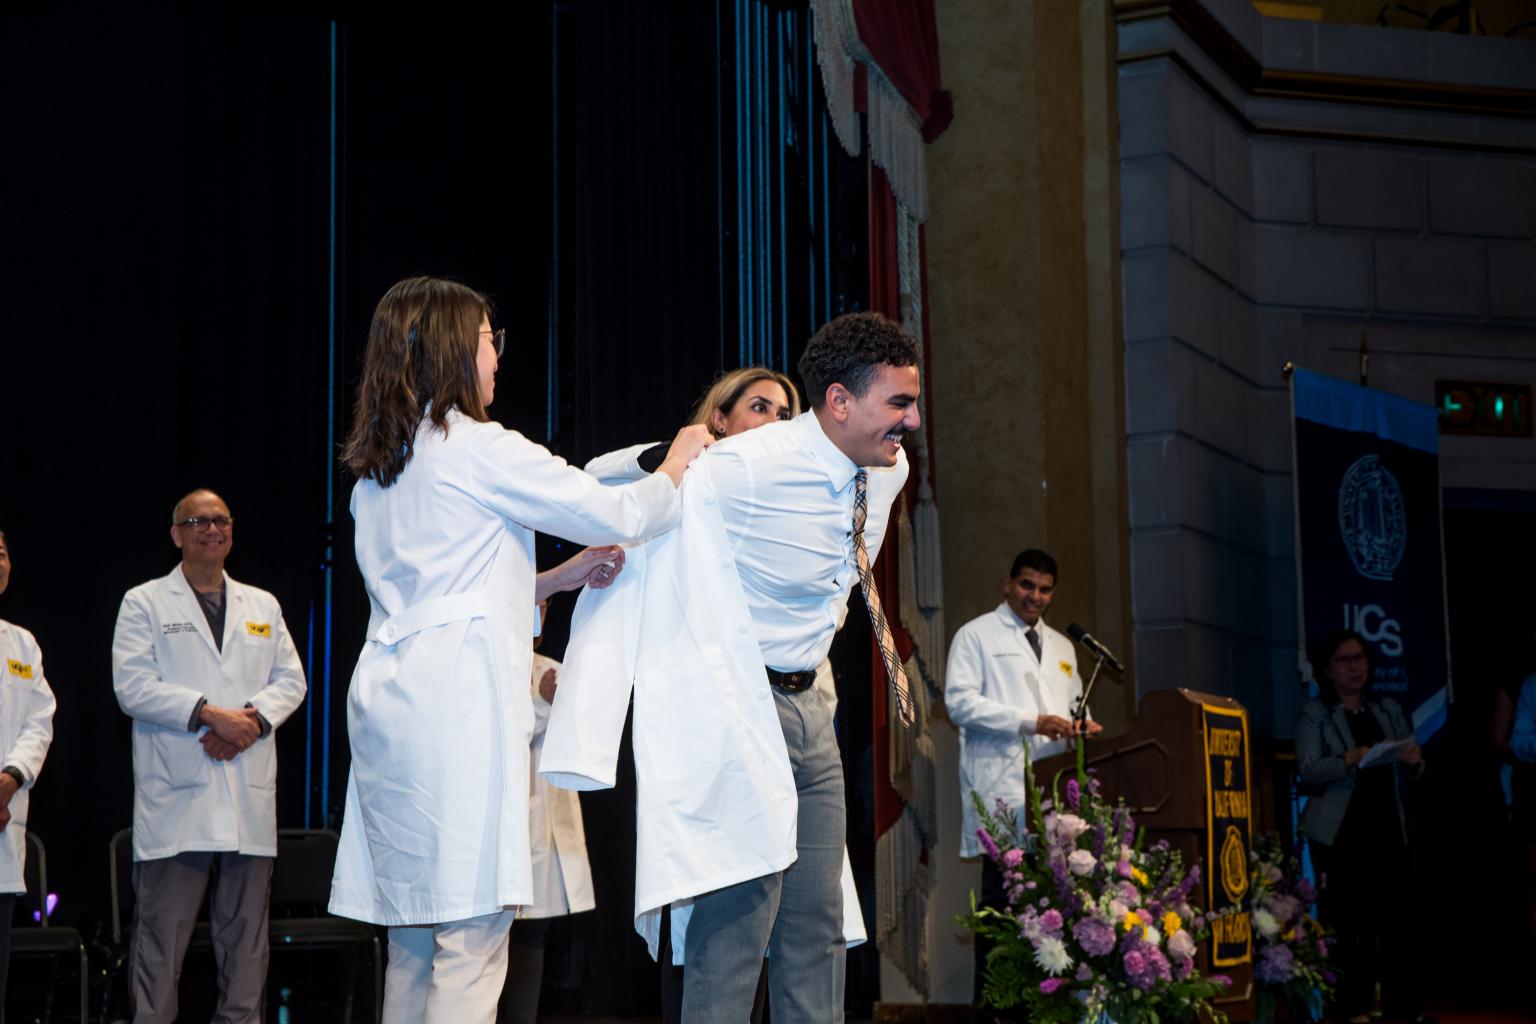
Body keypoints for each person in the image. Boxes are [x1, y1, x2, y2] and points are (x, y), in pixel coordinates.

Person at [327, 275, 709, 1024]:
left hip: (391, 706)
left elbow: (446, 589)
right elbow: (619, 509)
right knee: (473, 936)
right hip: (459, 705)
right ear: (450, 351)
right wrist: (677, 464)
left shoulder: (378, 472)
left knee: (412, 937)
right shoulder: (477, 447)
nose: (498, 357)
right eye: (487, 341)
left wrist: (555, 578)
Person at [584, 366, 801, 1024]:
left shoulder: (791, 515)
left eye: (787, 414)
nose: (774, 422)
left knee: (765, 927)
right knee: (706, 915)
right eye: (759, 406)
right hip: (703, 727)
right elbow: (598, 474)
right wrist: (677, 454)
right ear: (720, 420)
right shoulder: (681, 484)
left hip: (784, 722)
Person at [112, 490, 309, 1024]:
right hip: (178, 800)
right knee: (160, 950)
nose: (211, 528)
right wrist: (204, 712)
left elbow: (292, 680)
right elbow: (131, 686)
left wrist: (249, 721)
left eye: (221, 520)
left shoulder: (262, 605)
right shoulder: (145, 602)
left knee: (246, 951)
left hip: (246, 794)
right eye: (198, 520)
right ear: (177, 534)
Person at [944, 547, 1101, 994]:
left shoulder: (1063, 647)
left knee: (1049, 916)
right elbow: (959, 704)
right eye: (1027, 585)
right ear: (1008, 584)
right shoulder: (976, 636)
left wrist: (1078, 725)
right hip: (1003, 794)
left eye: (1045, 589)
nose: (1035, 596)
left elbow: (1068, 707)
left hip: (1052, 798)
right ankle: (993, 1010)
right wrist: (1030, 722)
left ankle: (1040, 1007)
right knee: (1002, 910)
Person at [1295, 628, 1427, 1024]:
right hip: (1341, 834)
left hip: (1387, 827)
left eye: (1360, 659)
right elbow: (1309, 769)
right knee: (1351, 926)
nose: (1355, 667)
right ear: (1327, 669)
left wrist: (1414, 761)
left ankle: (1402, 1010)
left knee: (1399, 924)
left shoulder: (1387, 709)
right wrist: (1350, 757)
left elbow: (1415, 769)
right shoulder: (1315, 714)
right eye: (1345, 660)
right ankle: (1350, 1008)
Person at [496, 610, 595, 1024]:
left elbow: (581, 737)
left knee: (533, 933)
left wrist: (556, 701)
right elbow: (511, 729)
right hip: (502, 818)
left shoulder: (554, 670)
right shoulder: (492, 662)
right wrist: (542, 701)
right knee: (489, 937)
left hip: (545, 823)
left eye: (543, 611)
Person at [0, 529, 58, 1020]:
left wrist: (10, 780)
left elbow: (40, 721)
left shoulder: (21, 643)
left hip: (3, 819)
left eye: (0, 551)